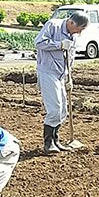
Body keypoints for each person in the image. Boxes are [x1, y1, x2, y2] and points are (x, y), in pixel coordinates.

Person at [34, 11, 89, 154]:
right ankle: (48, 143)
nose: (80, 32)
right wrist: (58, 45)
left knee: (63, 109)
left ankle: (55, 140)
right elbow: (38, 42)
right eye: (80, 29)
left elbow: (70, 57)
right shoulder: (53, 25)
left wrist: (69, 76)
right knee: (55, 108)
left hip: (61, 74)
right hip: (47, 71)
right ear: (71, 23)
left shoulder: (74, 36)